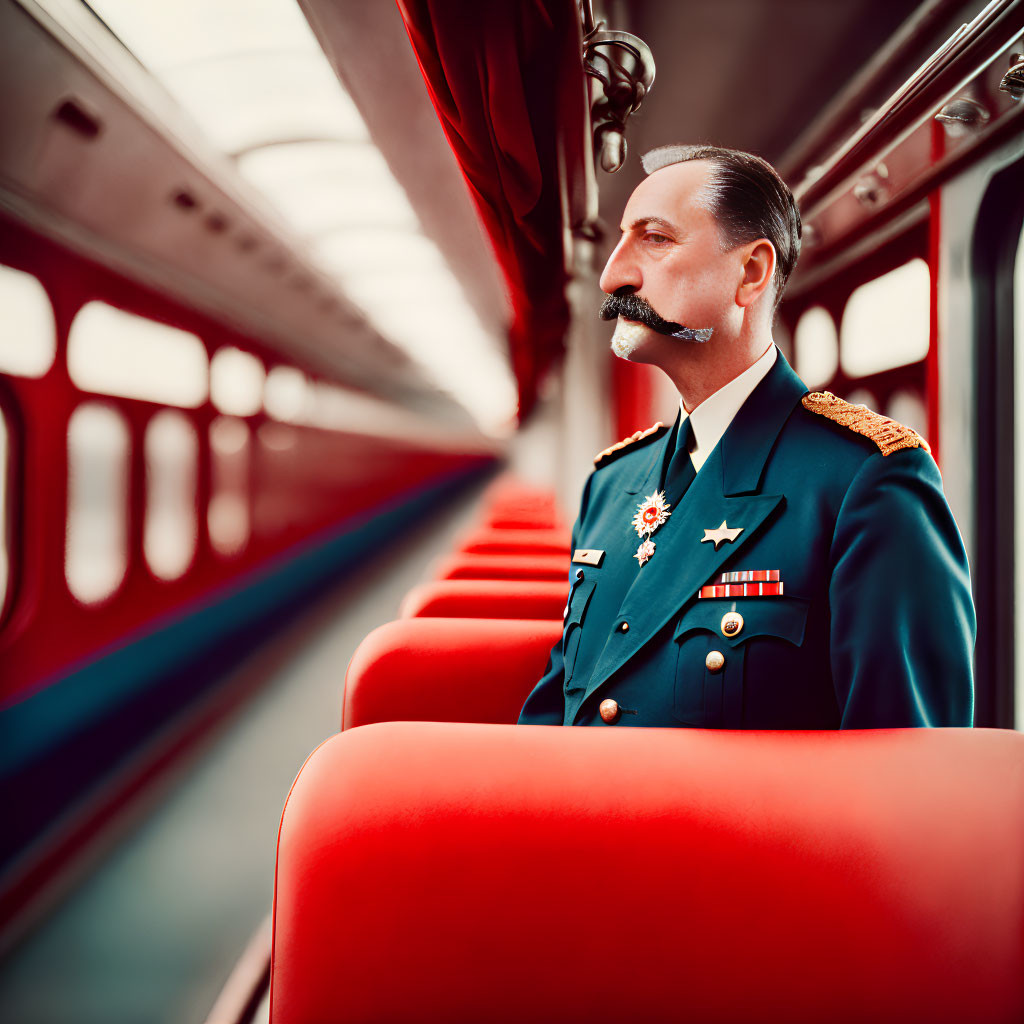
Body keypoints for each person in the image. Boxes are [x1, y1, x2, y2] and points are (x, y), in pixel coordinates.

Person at [518, 144, 975, 729]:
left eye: (655, 239)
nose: (614, 273)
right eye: (621, 240)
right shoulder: (610, 484)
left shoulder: (865, 481)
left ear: (750, 273)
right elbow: (552, 723)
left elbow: (907, 784)